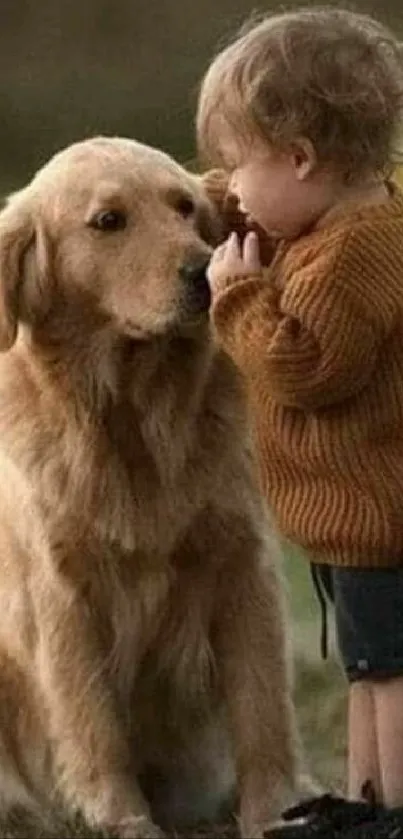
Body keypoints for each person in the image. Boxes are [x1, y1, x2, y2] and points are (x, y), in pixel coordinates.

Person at [197, 6, 403, 837]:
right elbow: (276, 224)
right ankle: (363, 799)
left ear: (300, 159)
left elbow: (304, 365)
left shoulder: (344, 259)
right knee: (364, 667)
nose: (231, 189)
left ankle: (393, 807)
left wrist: (237, 298)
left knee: (388, 672)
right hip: (357, 518)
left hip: (376, 519)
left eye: (235, 168)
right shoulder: (353, 221)